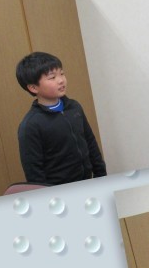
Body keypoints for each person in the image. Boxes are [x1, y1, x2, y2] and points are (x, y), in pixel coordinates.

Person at [16, 51, 107, 185]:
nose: (61, 80)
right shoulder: (31, 125)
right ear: (33, 87)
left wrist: (101, 175)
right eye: (52, 77)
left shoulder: (74, 107)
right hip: (59, 189)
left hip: (87, 182)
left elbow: (90, 142)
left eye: (62, 74)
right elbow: (34, 171)